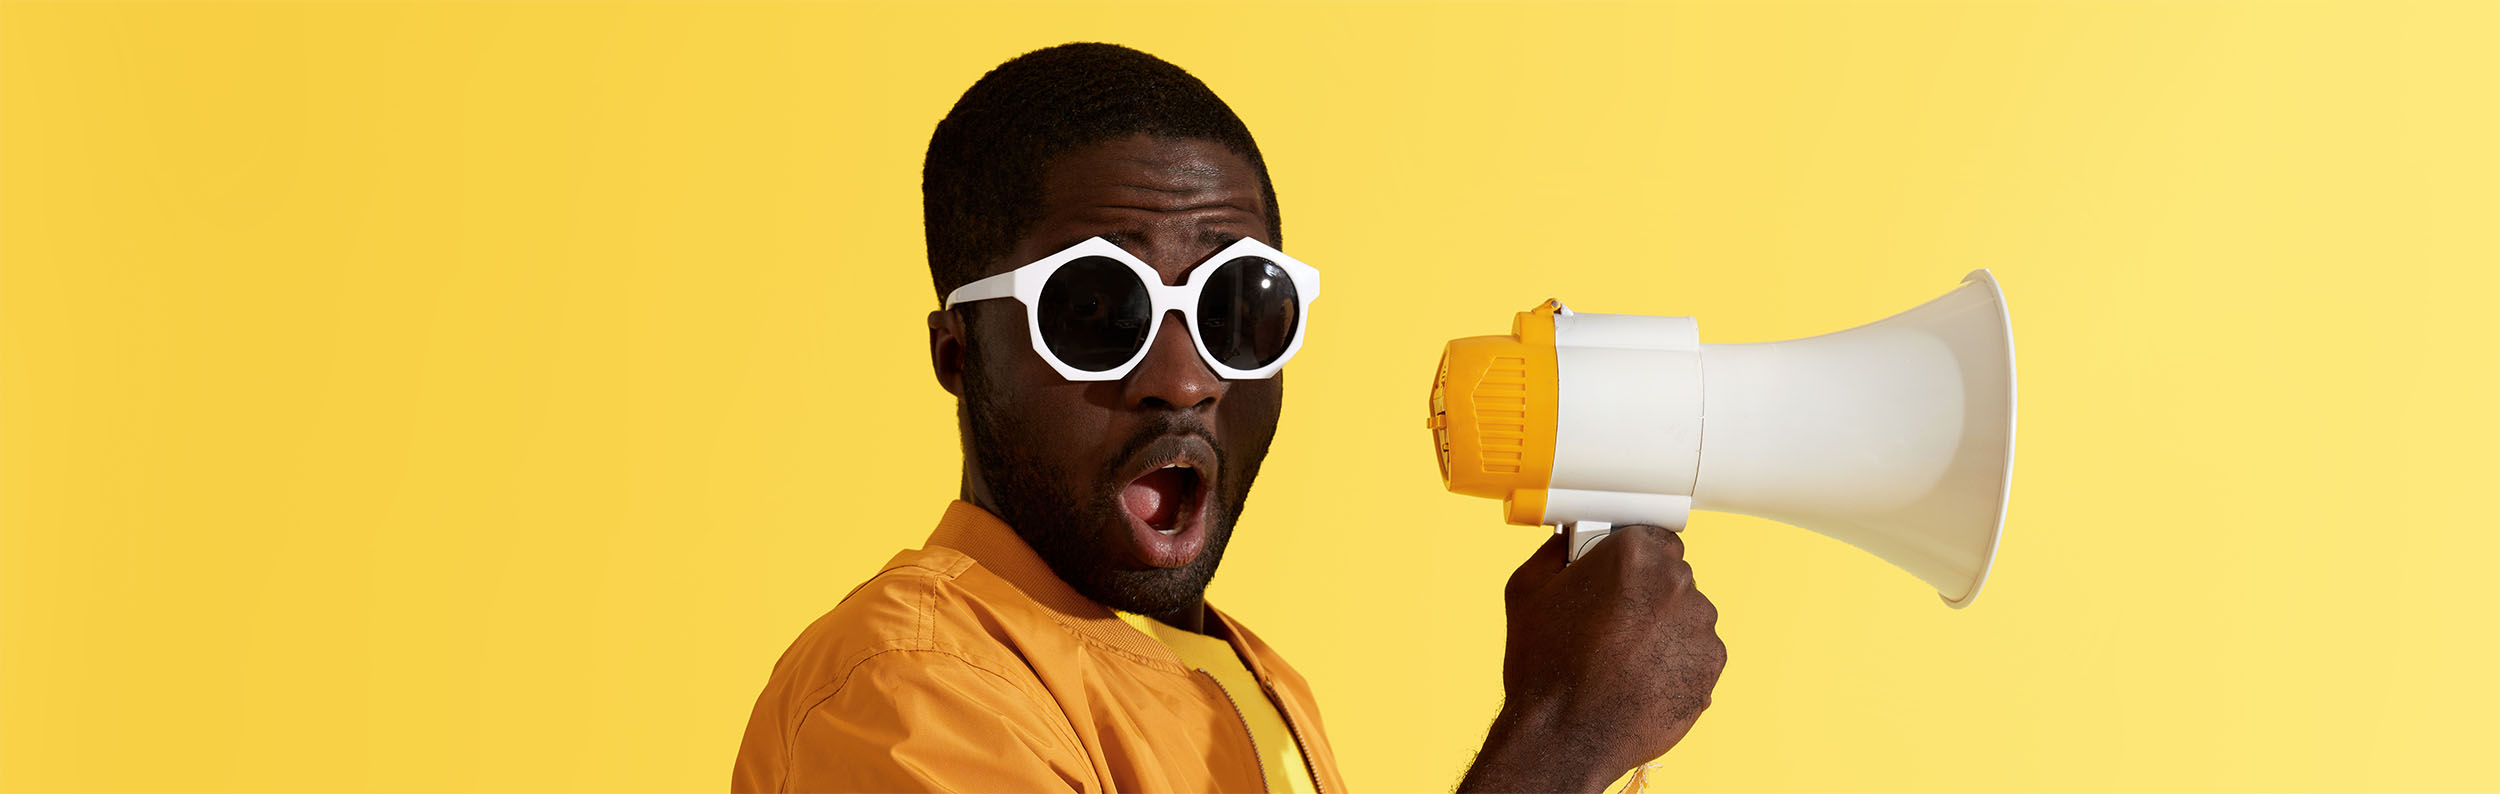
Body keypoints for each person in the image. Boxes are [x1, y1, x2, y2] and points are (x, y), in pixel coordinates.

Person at [731, 42, 1725, 793]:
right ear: (961, 354)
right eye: (1096, 309)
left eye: (1237, 307)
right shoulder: (906, 688)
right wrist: (1559, 738)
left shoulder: (1246, 672)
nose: (1184, 378)